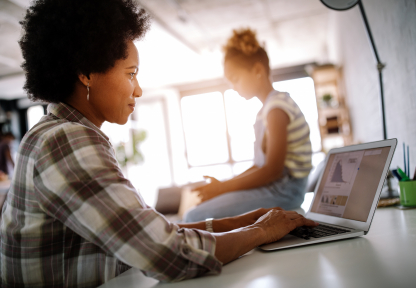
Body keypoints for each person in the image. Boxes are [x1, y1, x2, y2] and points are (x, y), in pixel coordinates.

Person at [0, 1, 317, 287]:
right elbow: (166, 253)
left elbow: (146, 231)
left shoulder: (58, 133)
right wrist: (262, 232)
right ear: (86, 73)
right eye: (131, 74)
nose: (137, 90)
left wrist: (242, 220)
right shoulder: (65, 142)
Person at [184, 29, 313, 223]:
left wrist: (223, 188)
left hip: (286, 191)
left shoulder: (277, 108)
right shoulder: (266, 110)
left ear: (258, 71)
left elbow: (272, 171)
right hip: (276, 187)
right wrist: (224, 185)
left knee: (194, 216)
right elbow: (259, 166)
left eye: (235, 79)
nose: (233, 87)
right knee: (197, 212)